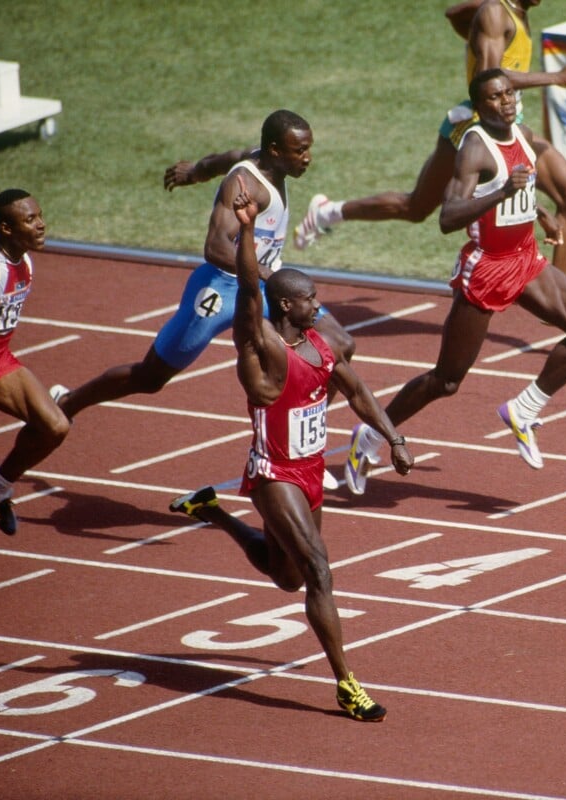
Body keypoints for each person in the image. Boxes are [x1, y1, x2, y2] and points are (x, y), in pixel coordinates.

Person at [169, 175, 413, 722]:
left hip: (308, 472)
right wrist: (250, 231)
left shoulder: (322, 346)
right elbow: (252, 291)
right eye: (310, 300)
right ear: (285, 305)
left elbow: (358, 390)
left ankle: (212, 512)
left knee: (287, 576)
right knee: (320, 571)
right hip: (273, 473)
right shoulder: (264, 347)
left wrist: (393, 438)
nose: (319, 307)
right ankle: (347, 684)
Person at [344, 69, 566, 493]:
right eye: (494, 98)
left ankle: (525, 409)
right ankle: (371, 436)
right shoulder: (474, 148)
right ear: (479, 107)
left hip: (525, 259)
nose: (505, 102)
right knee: (446, 381)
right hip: (486, 268)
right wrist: (502, 194)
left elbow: (523, 184)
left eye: (508, 94)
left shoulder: (521, 132)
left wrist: (539, 213)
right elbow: (448, 217)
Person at [53, 110, 355, 435]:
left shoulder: (257, 159)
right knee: (150, 377)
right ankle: (67, 402)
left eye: (308, 148)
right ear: (275, 150)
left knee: (339, 343)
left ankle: (304, 437)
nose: (308, 158)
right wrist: (268, 274)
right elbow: (215, 247)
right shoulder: (245, 186)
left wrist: (194, 172)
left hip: (266, 289)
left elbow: (222, 159)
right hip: (220, 290)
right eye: (300, 151)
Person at [293, 0, 566, 275]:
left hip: (512, 125)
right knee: (416, 208)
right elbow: (486, 79)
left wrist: (471, 20)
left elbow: (453, 14)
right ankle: (327, 212)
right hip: (478, 130)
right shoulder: (497, 12)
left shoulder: (513, 12)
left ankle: (561, 298)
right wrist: (555, 78)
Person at [0, 190, 70, 535]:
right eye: (30, 220)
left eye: (39, 216)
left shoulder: (24, 261)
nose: (41, 225)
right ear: (6, 227)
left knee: (54, 426)